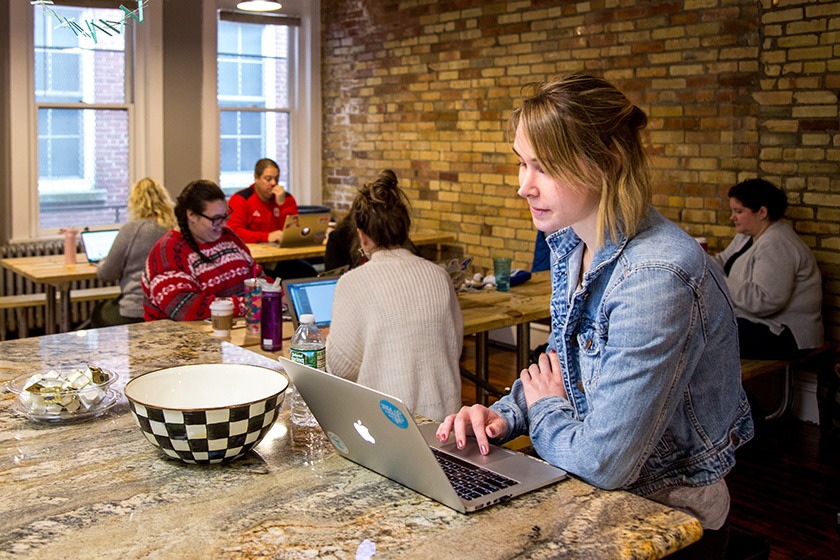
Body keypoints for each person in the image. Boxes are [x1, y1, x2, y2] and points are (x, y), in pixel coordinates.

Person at [436, 74, 754, 559]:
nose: (523, 187)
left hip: (666, 522)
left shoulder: (657, 274)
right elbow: (563, 374)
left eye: (544, 168)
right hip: (595, 502)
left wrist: (542, 409)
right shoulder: (575, 243)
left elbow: (604, 462)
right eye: (522, 164)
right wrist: (500, 416)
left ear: (606, 163)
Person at [326, 169, 463, 422]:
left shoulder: (353, 282)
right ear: (406, 228)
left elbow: (340, 369)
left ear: (361, 236)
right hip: (447, 424)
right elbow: (454, 345)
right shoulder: (439, 276)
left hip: (390, 428)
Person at [712, 178, 823, 360]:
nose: (732, 217)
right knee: (701, 330)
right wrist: (698, 259)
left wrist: (717, 281)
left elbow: (763, 301)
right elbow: (721, 262)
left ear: (762, 212)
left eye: (738, 211)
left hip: (785, 332)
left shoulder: (777, 243)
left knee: (708, 338)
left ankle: (734, 389)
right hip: (758, 323)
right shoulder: (746, 236)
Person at [142, 180, 264, 321]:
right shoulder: (168, 252)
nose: (223, 224)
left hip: (232, 328)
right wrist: (250, 304)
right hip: (182, 337)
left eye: (225, 215)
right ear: (192, 215)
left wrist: (273, 294)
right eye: (216, 218)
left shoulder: (228, 238)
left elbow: (256, 275)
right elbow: (184, 308)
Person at [92, 177, 175, 326]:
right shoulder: (175, 229)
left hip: (137, 308)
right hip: (169, 308)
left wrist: (102, 263)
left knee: (99, 311)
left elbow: (107, 274)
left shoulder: (132, 230)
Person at [227, 158, 316, 279]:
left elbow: (294, 230)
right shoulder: (241, 199)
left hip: (282, 257)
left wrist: (282, 205)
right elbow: (233, 232)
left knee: (308, 272)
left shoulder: (286, 199)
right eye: (268, 179)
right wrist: (266, 237)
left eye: (276, 178)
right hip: (252, 259)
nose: (273, 183)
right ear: (256, 178)